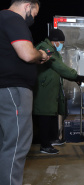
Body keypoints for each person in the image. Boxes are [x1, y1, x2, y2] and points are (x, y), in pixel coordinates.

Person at [0, 0, 50, 185]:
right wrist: (41, 55)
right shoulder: (13, 19)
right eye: (35, 13)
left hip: (4, 90)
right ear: (28, 6)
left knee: (6, 142)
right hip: (14, 91)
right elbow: (27, 54)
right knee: (17, 143)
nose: (34, 18)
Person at [33, 28, 84, 154]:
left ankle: (52, 139)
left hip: (49, 90)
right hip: (44, 90)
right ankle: (45, 146)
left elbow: (58, 71)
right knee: (45, 116)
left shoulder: (51, 50)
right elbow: (58, 66)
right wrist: (75, 75)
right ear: (55, 41)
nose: (61, 45)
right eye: (61, 42)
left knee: (51, 114)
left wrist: (74, 79)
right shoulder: (45, 48)